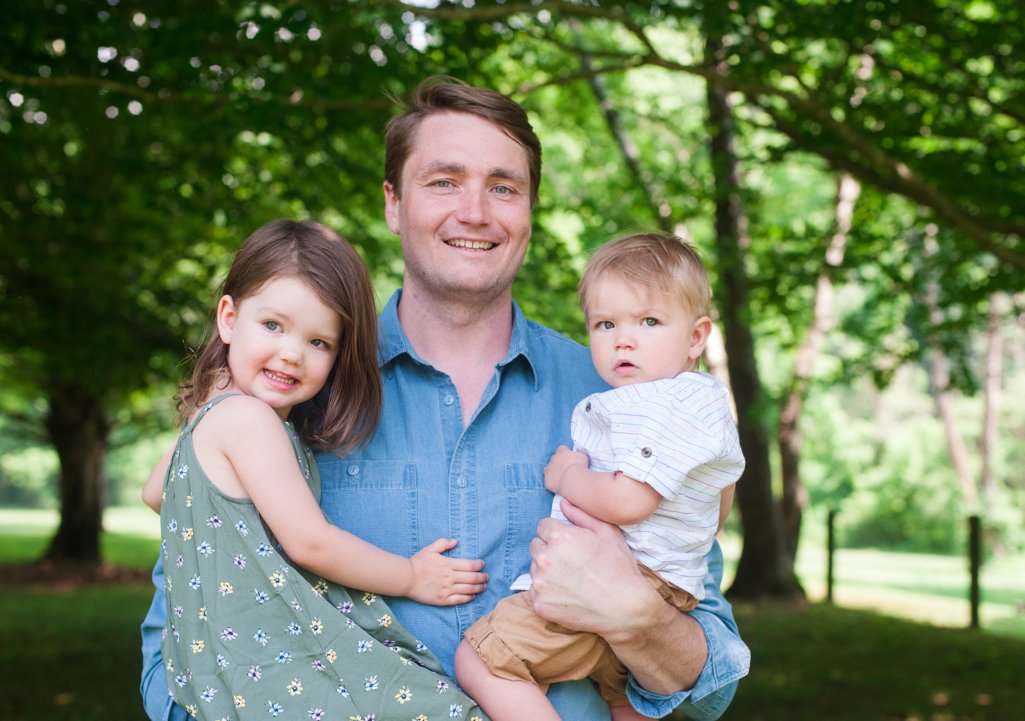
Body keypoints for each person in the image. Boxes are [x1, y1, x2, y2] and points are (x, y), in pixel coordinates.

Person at [141, 77, 751, 721]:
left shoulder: (625, 396)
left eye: (504, 187)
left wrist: (634, 616)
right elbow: (185, 635)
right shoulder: (291, 391)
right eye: (443, 181)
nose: (476, 211)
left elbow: (709, 684)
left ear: (529, 212)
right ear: (393, 204)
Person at [140, 219, 488, 720]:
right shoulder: (250, 421)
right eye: (273, 326)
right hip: (267, 673)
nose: (291, 353)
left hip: (228, 669)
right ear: (229, 318)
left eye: (319, 343)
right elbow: (311, 542)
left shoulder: (219, 414)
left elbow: (157, 493)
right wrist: (411, 576)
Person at [454, 232, 745, 721]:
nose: (623, 339)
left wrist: (567, 476)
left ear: (696, 337)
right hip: (671, 588)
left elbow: (629, 502)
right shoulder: (705, 405)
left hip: (617, 584)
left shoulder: (661, 403)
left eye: (649, 321)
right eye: (605, 324)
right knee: (625, 696)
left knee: (481, 660)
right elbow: (719, 502)